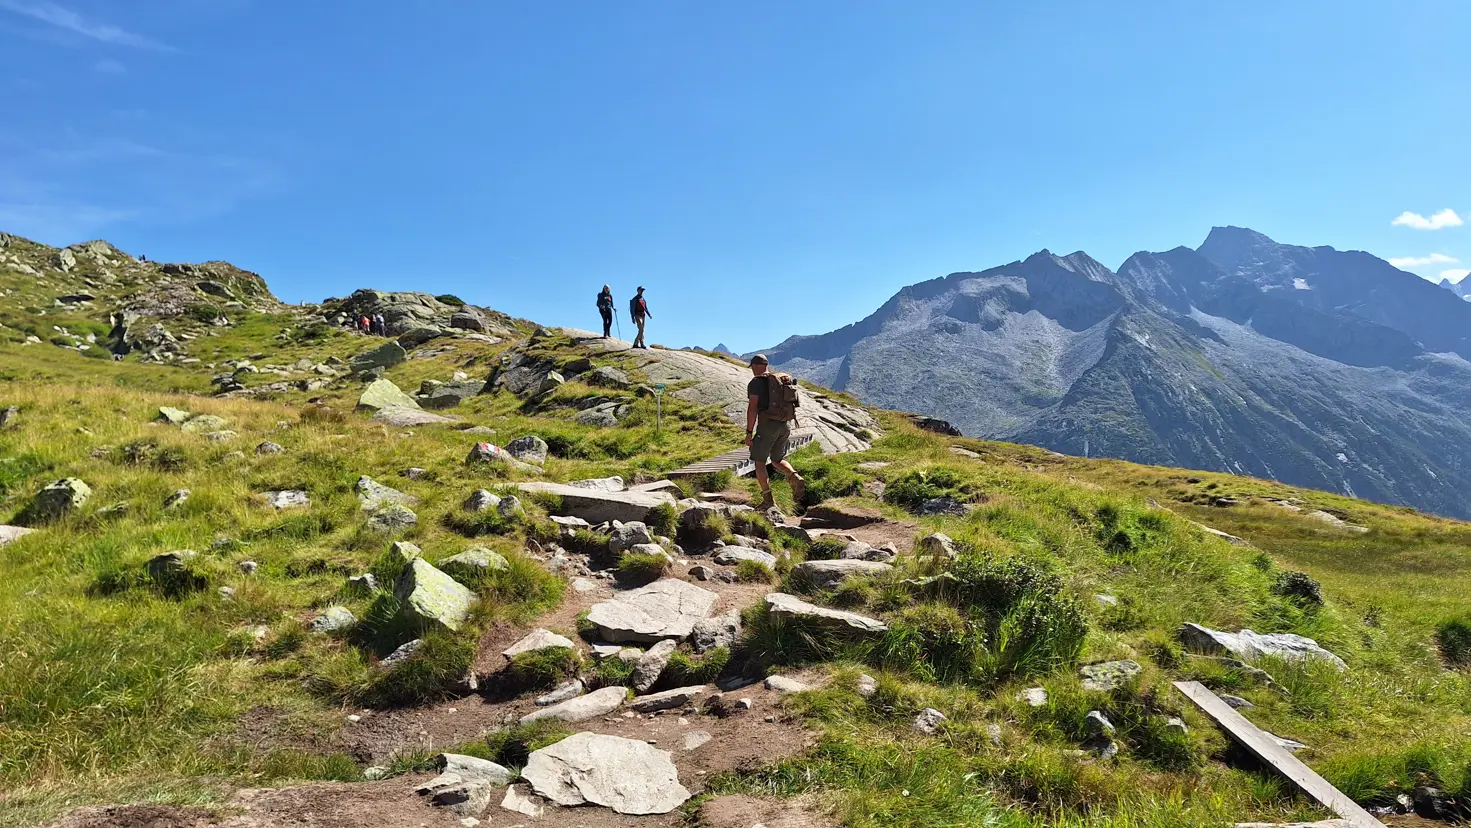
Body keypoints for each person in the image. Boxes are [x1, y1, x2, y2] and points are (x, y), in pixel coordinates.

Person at [745, 354, 806, 512]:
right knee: (777, 459)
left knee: (759, 462)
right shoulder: (779, 380)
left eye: (752, 367)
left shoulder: (756, 383)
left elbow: (753, 408)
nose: (752, 370)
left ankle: (768, 500)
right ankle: (793, 475)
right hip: (784, 425)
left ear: (756, 366)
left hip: (767, 425)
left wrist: (749, 432)